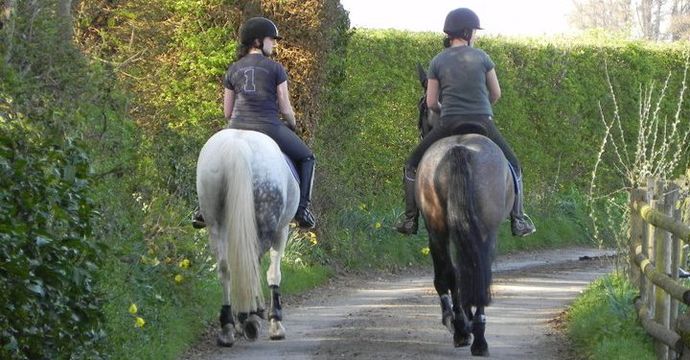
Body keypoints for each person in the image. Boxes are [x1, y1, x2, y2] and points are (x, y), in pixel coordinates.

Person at [394, 8, 535, 237]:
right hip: (482, 122)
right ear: (467, 32)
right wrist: (482, 107)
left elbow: (430, 103)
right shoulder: (482, 57)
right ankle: (518, 219)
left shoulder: (437, 61)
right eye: (474, 32)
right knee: (514, 165)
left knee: (411, 165)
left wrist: (445, 109)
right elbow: (496, 93)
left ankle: (410, 219)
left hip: (448, 123)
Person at [193, 16, 316, 229]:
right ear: (258, 41)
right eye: (272, 39)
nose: (275, 44)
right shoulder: (276, 68)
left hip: (236, 126)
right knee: (307, 158)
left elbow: (227, 111)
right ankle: (302, 210)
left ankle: (203, 208)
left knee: (211, 155)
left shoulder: (233, 69)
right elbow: (286, 107)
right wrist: (293, 123)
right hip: (268, 127)